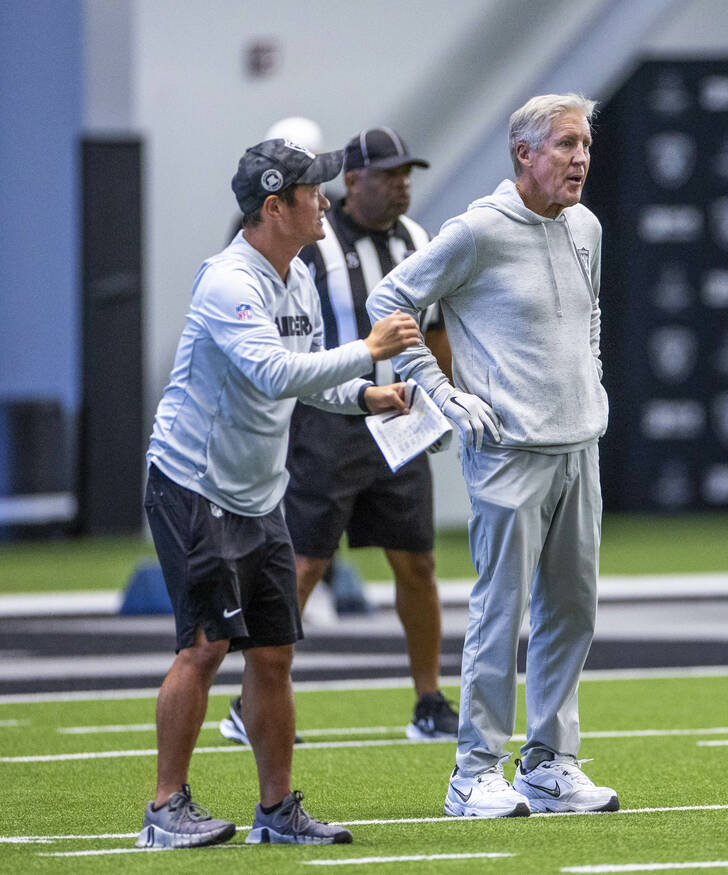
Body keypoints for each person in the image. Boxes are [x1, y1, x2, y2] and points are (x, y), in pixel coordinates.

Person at [139, 137, 420, 848]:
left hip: (259, 491)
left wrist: (369, 394)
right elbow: (270, 372)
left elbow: (310, 377)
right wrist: (372, 348)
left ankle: (276, 811)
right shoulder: (230, 280)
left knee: (272, 654)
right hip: (195, 485)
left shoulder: (294, 274)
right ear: (274, 205)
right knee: (205, 647)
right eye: (311, 191)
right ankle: (165, 806)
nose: (324, 199)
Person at [366, 93, 618, 818]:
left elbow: (591, 312)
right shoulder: (477, 230)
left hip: (580, 446)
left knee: (572, 611)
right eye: (566, 145)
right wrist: (442, 396)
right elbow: (392, 301)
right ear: (524, 154)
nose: (580, 159)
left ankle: (549, 763)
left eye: (585, 146)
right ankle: (474, 770)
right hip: (507, 452)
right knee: (500, 611)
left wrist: (589, 381)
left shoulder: (587, 228)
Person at [219, 126, 459, 746]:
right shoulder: (310, 245)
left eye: (409, 173)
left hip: (398, 414)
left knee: (418, 560)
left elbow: (433, 330)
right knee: (302, 563)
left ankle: (429, 699)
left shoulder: (417, 239)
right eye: (391, 174)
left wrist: (442, 400)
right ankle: (254, 702)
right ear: (354, 181)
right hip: (326, 422)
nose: (403, 185)